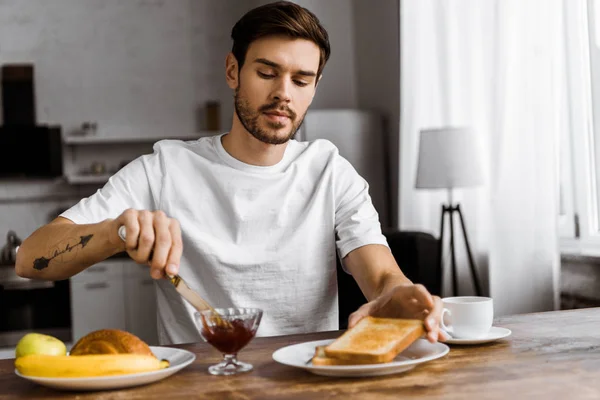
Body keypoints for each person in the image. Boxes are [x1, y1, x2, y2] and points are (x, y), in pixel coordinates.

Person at [15, 1, 446, 345]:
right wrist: (116, 232)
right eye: (267, 72)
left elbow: (379, 272)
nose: (283, 93)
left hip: (307, 380)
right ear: (233, 71)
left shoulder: (330, 171)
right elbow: (30, 258)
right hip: (199, 387)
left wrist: (394, 296)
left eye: (301, 80)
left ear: (314, 88)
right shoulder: (165, 169)